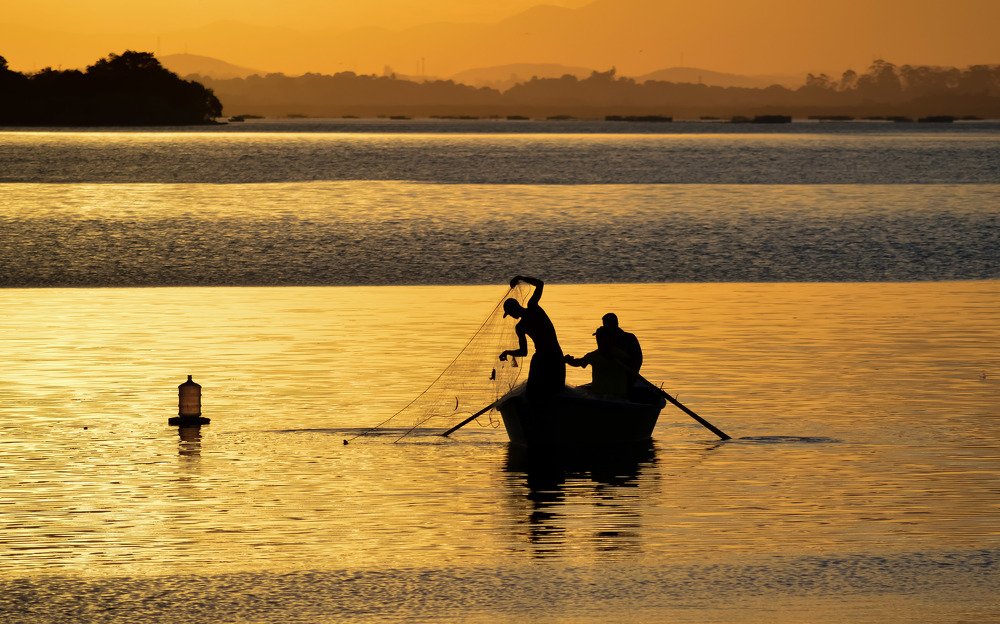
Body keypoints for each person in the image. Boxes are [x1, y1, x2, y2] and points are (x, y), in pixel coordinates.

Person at [499, 275, 565, 399]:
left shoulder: (526, 318)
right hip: (554, 354)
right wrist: (507, 352)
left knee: (537, 392)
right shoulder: (528, 316)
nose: (511, 316)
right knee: (555, 390)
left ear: (513, 311)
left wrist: (520, 277)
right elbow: (524, 352)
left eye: (509, 313)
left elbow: (523, 352)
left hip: (543, 358)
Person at [564, 326, 631, 398]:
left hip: (618, 397)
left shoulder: (620, 354)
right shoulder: (593, 355)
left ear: (609, 339)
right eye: (598, 338)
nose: (598, 340)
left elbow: (630, 364)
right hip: (599, 396)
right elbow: (579, 362)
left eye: (601, 338)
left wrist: (614, 358)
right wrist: (569, 361)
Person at [600, 312, 642, 378]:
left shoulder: (629, 338)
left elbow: (637, 359)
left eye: (606, 324)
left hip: (628, 373)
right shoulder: (607, 338)